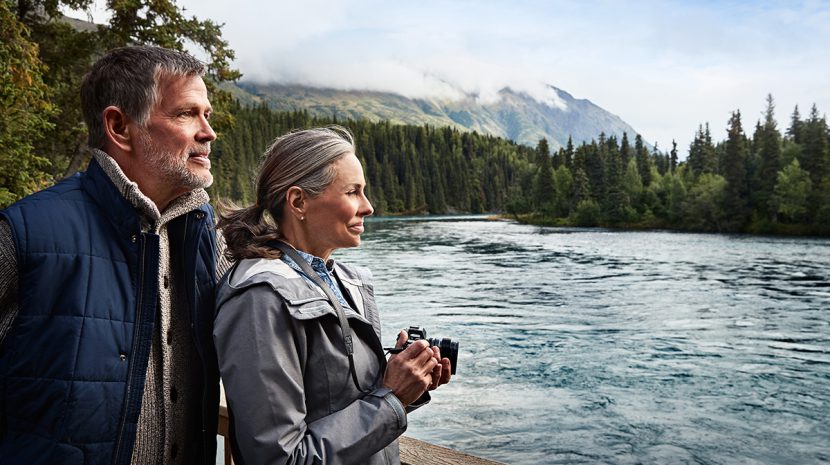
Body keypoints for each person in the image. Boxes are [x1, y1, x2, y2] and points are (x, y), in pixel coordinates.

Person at [0, 46, 226, 465]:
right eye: (185, 114)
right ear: (120, 126)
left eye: (206, 115)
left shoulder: (203, 233)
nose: (208, 131)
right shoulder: (23, 233)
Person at [214, 126, 452, 465]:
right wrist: (393, 398)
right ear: (299, 202)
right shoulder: (260, 299)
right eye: (353, 192)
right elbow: (280, 459)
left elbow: (340, 403)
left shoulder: (345, 281)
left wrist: (406, 383)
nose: (368, 207)